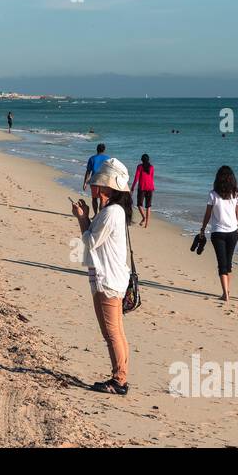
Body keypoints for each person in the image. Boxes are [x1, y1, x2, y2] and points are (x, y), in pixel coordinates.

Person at [70, 157, 133, 395]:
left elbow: (90, 240)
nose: (95, 188)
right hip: (113, 278)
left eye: (99, 184)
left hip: (108, 280)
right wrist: (87, 216)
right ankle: (121, 376)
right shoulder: (115, 211)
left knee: (112, 333)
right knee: (117, 331)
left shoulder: (111, 213)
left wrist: (81, 217)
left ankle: (119, 380)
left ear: (108, 187)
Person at [200, 166, 238, 301]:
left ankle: (225, 293)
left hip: (217, 232)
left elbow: (208, 214)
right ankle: (226, 291)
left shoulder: (213, 194)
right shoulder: (236, 195)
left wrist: (202, 228)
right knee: (228, 263)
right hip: (233, 232)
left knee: (222, 262)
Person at [82, 144, 110, 215]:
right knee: (103, 198)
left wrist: (85, 183)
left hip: (95, 180)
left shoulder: (92, 158)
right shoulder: (108, 158)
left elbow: (88, 171)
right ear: (104, 150)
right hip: (105, 181)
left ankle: (95, 214)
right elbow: (110, 171)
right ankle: (100, 215)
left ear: (97, 149)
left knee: (94, 199)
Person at [129, 154, 155, 228]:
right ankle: (146, 224)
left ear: (142, 160)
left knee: (139, 204)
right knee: (148, 206)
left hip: (142, 188)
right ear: (148, 159)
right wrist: (152, 187)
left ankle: (144, 217)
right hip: (150, 188)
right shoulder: (152, 167)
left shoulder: (139, 167)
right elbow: (152, 178)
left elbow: (136, 178)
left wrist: (132, 188)